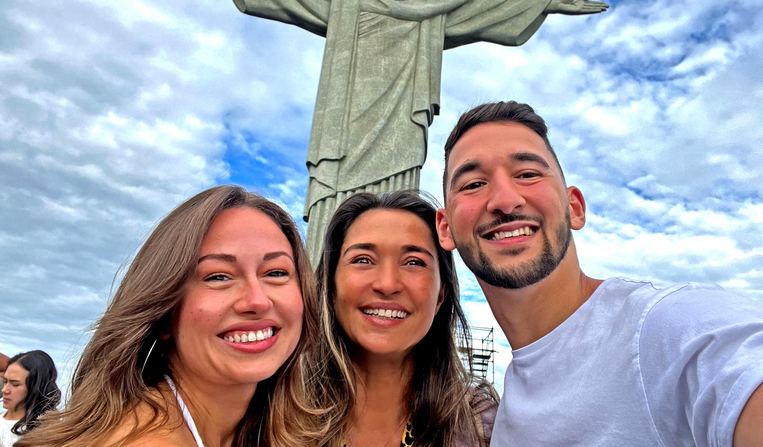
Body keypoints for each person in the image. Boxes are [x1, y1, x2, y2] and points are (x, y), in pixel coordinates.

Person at [163, 0, 608, 262]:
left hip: (399, 116)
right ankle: (325, 282)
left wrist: (547, 5)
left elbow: (484, 6)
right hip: (345, 120)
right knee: (333, 205)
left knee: (394, 199)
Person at [435, 100, 763, 446]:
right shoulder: (506, 416)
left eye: (528, 174)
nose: (505, 200)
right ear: (445, 229)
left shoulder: (667, 331)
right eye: (473, 184)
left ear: (574, 207)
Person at [17, 185, 319, 447]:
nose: (257, 300)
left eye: (276, 272)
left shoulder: (261, 426)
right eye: (218, 276)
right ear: (163, 314)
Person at [307, 191, 497, 447]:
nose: (387, 284)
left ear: (441, 295)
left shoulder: (481, 428)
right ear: (330, 286)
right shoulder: (270, 411)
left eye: (414, 262)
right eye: (363, 259)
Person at [1, 350, 61, 446]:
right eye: (5, 381)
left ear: (35, 388)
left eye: (15, 384)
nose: (5, 390)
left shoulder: (46, 433)